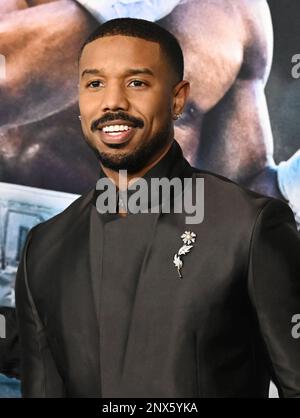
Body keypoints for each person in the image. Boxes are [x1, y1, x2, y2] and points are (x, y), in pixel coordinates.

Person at [15, 18, 300, 398]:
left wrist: (288, 186)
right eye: (94, 84)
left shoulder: (252, 227)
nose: (113, 102)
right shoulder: (45, 247)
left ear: (178, 98)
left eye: (137, 82)